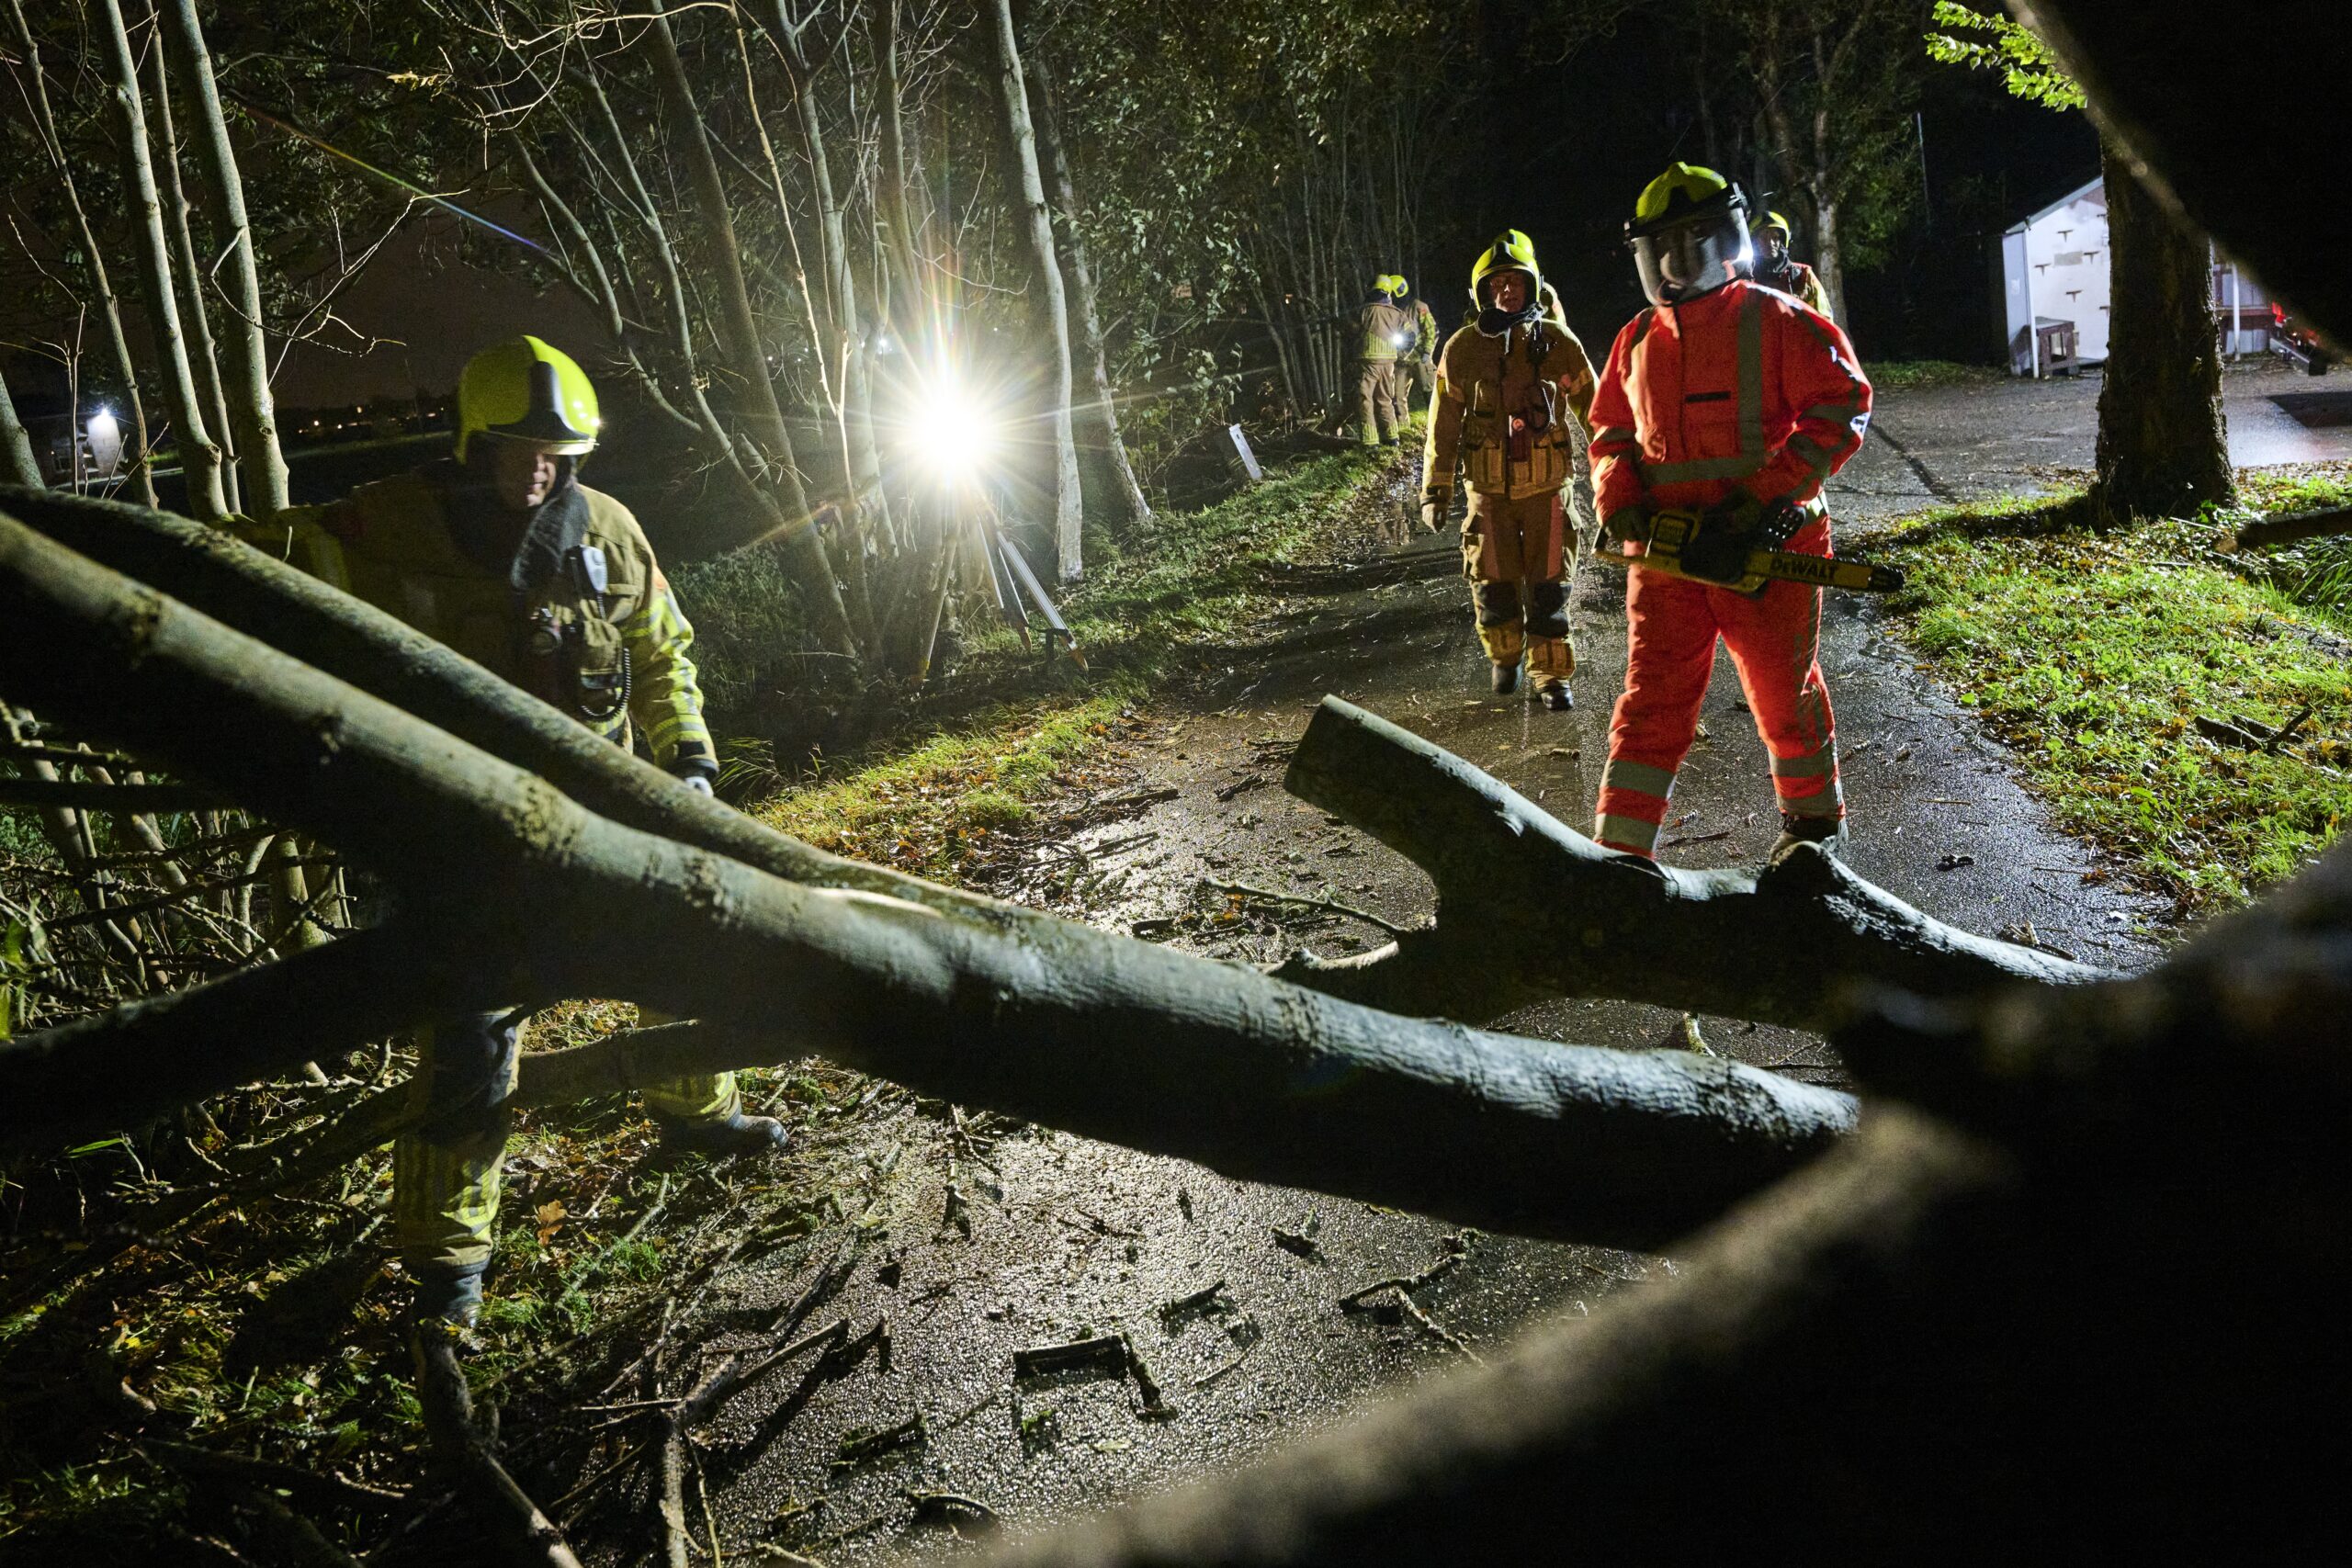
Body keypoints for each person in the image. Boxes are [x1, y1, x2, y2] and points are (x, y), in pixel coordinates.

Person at [250, 335, 786, 1329]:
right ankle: (447, 1259)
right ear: (471, 441)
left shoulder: (613, 534)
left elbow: (661, 656)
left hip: (611, 807)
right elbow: (252, 560)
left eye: (555, 452)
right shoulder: (384, 528)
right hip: (467, 835)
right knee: (469, 1034)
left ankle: (696, 1113)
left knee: (680, 953)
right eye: (514, 448)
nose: (535, 469)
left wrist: (693, 766)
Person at [1588, 164, 1871, 861]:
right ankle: (1620, 856)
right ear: (1646, 255)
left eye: (1700, 238)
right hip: (1667, 556)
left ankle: (1812, 835)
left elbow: (1843, 404)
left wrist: (1766, 494)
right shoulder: (1634, 341)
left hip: (1767, 550)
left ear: (1730, 237)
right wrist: (1620, 499)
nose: (1684, 259)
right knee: (1652, 704)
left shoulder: (1778, 320)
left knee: (1781, 693)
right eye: (1668, 245)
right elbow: (1610, 433)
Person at [1420, 231, 1597, 710]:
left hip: (1548, 488)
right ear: (1482, 292)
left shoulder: (1559, 343)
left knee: (1550, 587)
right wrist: (1435, 490)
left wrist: (1614, 479)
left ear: (1532, 285)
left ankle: (1552, 677)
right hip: (1488, 493)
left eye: (1514, 281)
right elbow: (1443, 426)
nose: (1506, 290)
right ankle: (1505, 657)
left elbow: (1596, 412)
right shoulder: (1461, 350)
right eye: (1495, 283)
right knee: (1492, 584)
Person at [1353, 275, 1417, 446]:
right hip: (1389, 363)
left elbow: (1352, 333)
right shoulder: (1398, 313)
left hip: (1368, 363)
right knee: (1386, 399)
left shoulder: (1363, 311)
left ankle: (1370, 441)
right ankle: (1392, 438)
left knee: (1366, 400)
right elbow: (1411, 337)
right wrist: (1402, 354)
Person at [1753, 210, 1832, 319]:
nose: (1770, 243)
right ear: (1755, 243)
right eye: (1763, 238)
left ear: (1782, 241)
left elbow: (1824, 319)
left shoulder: (1803, 276)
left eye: (1775, 238)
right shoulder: (1748, 279)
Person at [1393, 276, 1442, 412]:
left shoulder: (1419, 307)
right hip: (1401, 359)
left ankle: (1438, 423)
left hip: (1420, 356)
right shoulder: (1393, 311)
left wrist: (1427, 352)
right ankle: (1403, 429)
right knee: (1397, 396)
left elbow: (1432, 330)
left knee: (1430, 391)